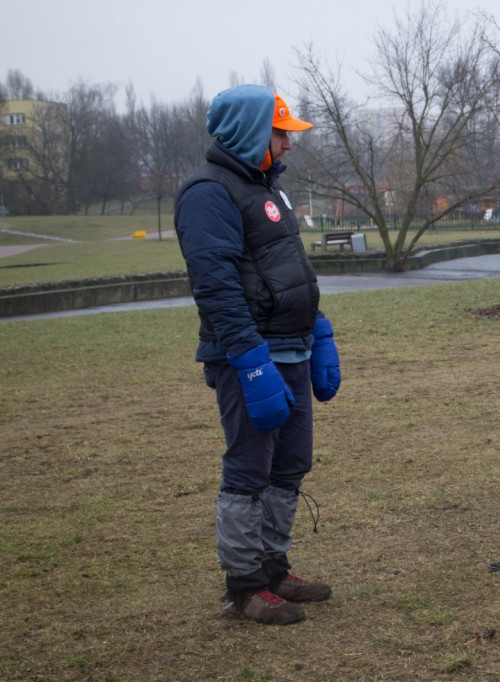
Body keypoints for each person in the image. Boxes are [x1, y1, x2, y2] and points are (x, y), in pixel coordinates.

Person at [174, 85, 341, 625]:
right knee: (249, 470)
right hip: (249, 357)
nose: (290, 144)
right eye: (281, 133)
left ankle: (273, 567)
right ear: (251, 132)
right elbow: (217, 285)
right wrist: (249, 359)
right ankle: (244, 586)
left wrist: (318, 330)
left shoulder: (269, 189)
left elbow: (289, 272)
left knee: (290, 463)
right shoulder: (207, 193)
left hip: (292, 350)